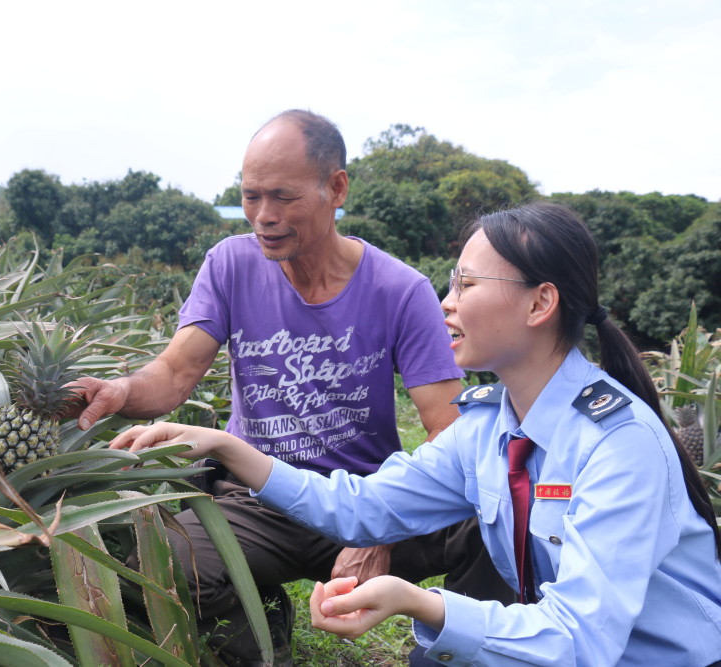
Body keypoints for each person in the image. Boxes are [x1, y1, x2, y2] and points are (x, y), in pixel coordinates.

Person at [109, 202, 721, 666]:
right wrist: (227, 446)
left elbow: (581, 638)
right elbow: (364, 507)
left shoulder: (617, 443)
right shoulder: (489, 426)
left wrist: (418, 602)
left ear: (540, 305)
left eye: (468, 285)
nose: (445, 302)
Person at [71, 109, 511, 664]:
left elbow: (448, 429)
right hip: (258, 502)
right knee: (162, 565)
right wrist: (121, 390)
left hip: (368, 498)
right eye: (251, 196)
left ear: (336, 187)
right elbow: (176, 372)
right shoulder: (230, 265)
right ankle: (259, 637)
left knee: (501, 521)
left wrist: (376, 530)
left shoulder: (401, 290)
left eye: (283, 197)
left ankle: (451, 653)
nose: (264, 216)